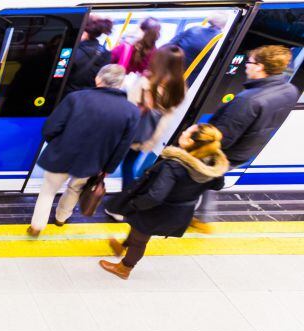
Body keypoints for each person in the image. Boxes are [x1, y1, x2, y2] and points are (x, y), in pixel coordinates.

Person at [192, 45, 301, 229]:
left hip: (228, 151)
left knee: (196, 178)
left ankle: (186, 214)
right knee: (211, 178)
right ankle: (203, 215)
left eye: (249, 62)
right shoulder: (290, 90)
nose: (245, 65)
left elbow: (223, 137)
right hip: (249, 148)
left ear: (260, 67)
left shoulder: (248, 99)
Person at [99, 124, 229, 279]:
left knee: (140, 239)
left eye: (186, 133)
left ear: (190, 143)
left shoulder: (173, 166)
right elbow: (218, 185)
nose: (182, 132)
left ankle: (125, 268)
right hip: (180, 212)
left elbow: (155, 196)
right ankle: (123, 246)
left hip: (155, 211)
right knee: (137, 229)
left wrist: (134, 204)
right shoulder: (212, 166)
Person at [28, 64, 140, 237]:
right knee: (75, 189)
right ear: (121, 84)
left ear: (98, 78)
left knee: (48, 190)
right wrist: (108, 169)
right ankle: (61, 218)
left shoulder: (76, 98)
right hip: (93, 162)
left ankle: (37, 226)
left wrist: (58, 143)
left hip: (61, 154)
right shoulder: (131, 112)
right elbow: (123, 146)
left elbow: (50, 128)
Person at [120, 45, 188, 189]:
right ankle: (128, 199)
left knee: (118, 164)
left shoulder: (146, 83)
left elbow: (129, 107)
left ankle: (123, 199)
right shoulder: (180, 86)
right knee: (129, 163)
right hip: (150, 134)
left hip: (131, 131)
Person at [63, 15, 114, 95]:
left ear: (84, 32)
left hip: (68, 96)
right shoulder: (106, 54)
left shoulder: (69, 52)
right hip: (90, 97)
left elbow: (58, 77)